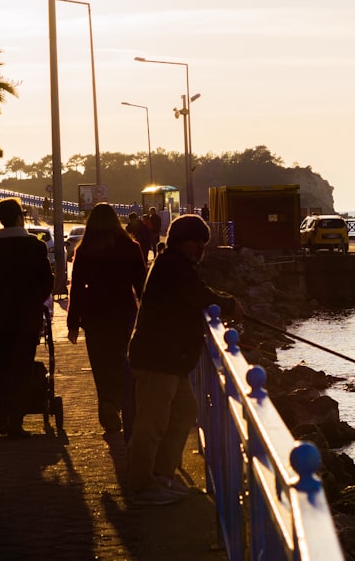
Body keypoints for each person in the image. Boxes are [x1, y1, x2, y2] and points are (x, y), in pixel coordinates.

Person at [126, 214, 244, 505]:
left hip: (170, 359)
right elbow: (198, 296)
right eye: (196, 243)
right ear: (181, 242)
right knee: (151, 423)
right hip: (157, 358)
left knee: (183, 412)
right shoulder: (172, 267)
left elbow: (198, 294)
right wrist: (229, 305)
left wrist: (223, 303)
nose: (200, 249)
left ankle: (162, 475)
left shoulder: (177, 265)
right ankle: (142, 486)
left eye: (203, 243)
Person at [0, 197, 54, 439]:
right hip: (28, 319)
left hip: (0, 318)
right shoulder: (35, 247)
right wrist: (33, 300)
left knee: (1, 363)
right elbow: (47, 283)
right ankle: (15, 420)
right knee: (21, 365)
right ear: (20, 218)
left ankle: (3, 413)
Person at [66, 203, 147, 437]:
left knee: (101, 364)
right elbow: (142, 286)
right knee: (124, 363)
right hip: (124, 312)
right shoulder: (131, 247)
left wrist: (72, 323)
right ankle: (123, 404)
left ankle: (108, 404)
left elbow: (77, 289)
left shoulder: (84, 251)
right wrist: (148, 315)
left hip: (95, 315)